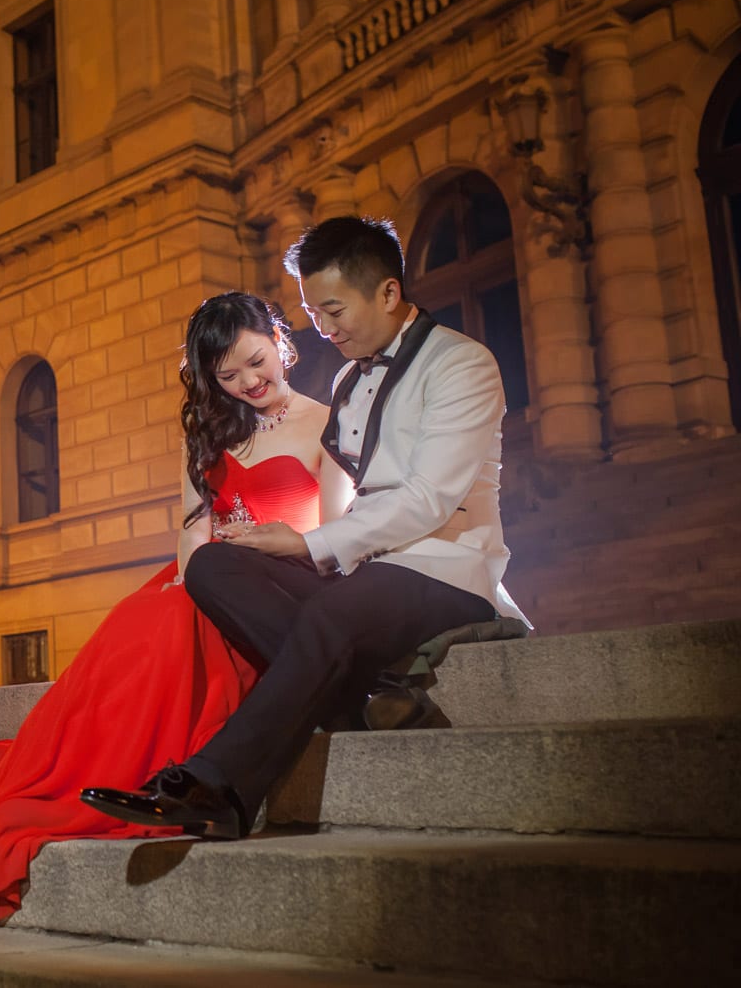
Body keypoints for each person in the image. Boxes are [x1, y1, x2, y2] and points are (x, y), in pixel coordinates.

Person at [0, 291, 335, 929]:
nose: (249, 383)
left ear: (278, 339)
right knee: (140, 621)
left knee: (166, 625)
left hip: (275, 587)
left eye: (255, 362)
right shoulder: (208, 430)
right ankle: (85, 761)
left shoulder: (327, 423)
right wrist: (194, 580)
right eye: (229, 376)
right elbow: (194, 526)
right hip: (202, 580)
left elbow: (338, 536)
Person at [81, 215, 530, 842]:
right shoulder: (350, 377)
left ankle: (219, 785)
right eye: (314, 314)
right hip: (368, 572)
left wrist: (309, 543)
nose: (323, 328)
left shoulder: (461, 364)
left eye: (333, 310)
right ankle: (368, 697)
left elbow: (429, 499)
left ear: (388, 293)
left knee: (331, 615)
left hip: (444, 567)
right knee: (213, 565)